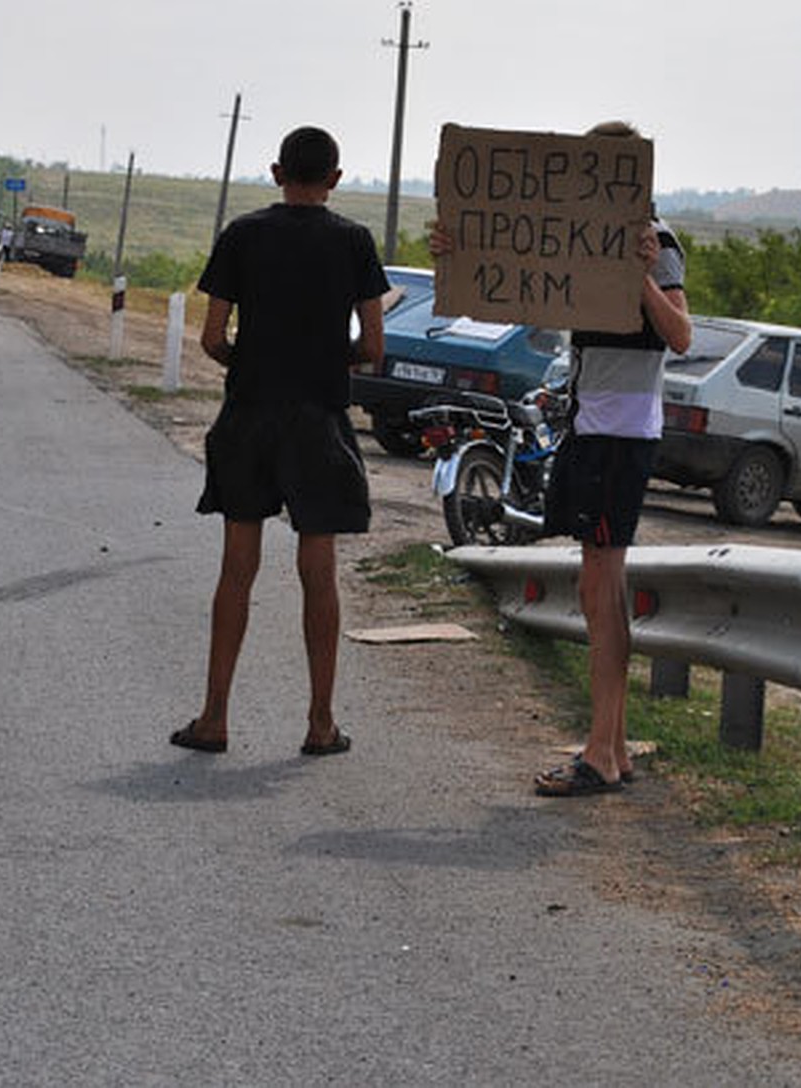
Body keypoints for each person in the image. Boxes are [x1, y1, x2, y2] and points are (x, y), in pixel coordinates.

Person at [431, 120, 691, 796]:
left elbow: (681, 335)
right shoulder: (582, 240)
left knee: (601, 589)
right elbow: (520, 284)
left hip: (622, 436)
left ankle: (602, 753)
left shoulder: (654, 245)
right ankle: (614, 747)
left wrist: (638, 278)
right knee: (595, 585)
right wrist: (459, 252)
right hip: (588, 428)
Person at [170, 126, 386, 758]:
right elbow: (372, 347)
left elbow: (213, 337)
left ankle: (214, 718)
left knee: (238, 568)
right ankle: (320, 723)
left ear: (275, 172)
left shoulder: (243, 234)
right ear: (336, 179)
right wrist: (322, 358)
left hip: (249, 415)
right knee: (318, 573)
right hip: (318, 419)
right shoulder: (353, 242)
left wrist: (253, 359)